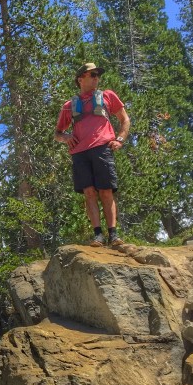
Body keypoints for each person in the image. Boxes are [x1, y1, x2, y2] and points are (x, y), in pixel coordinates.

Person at [55, 62, 131, 247]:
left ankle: (113, 234)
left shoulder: (107, 96)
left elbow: (125, 119)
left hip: (102, 148)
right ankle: (98, 235)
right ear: (80, 79)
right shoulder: (69, 106)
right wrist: (66, 138)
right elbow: (57, 133)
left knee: (106, 191)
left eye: (98, 74)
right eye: (92, 74)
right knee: (89, 193)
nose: (97, 77)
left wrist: (120, 139)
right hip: (79, 153)